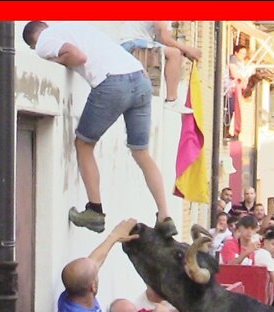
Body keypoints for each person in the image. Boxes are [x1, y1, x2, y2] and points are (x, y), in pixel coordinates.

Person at [23, 22, 176, 238]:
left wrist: (56, 59)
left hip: (113, 83)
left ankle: (95, 211)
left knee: (84, 144)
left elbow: (78, 57)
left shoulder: (44, 41)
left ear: (33, 42)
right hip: (139, 79)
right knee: (141, 152)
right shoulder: (77, 29)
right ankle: (165, 217)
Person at [117, 21, 202, 112]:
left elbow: (163, 40)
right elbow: (164, 38)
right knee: (175, 54)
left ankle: (169, 99)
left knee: (176, 54)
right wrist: (187, 50)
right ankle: (172, 100)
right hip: (131, 42)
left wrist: (185, 52)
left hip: (138, 41)